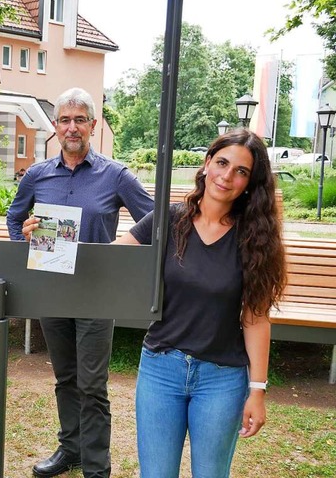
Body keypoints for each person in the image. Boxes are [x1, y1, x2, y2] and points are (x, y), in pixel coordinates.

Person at [117, 129, 286, 477]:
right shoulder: (169, 220)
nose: (227, 176)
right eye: (222, 163)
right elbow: (109, 259)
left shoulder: (255, 239)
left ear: (250, 182)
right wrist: (49, 238)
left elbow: (256, 318)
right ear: (207, 164)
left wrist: (257, 390)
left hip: (221, 378)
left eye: (241, 171)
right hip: (161, 370)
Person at [7, 87, 153, 478]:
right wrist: (25, 235)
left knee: (92, 384)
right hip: (52, 291)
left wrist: (125, 245)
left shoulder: (116, 175)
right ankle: (70, 449)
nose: (72, 127)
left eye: (80, 120)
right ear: (56, 127)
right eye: (65, 120)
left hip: (96, 293)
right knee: (65, 377)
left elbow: (157, 219)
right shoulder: (37, 175)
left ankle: (96, 467)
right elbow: (13, 218)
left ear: (92, 125)